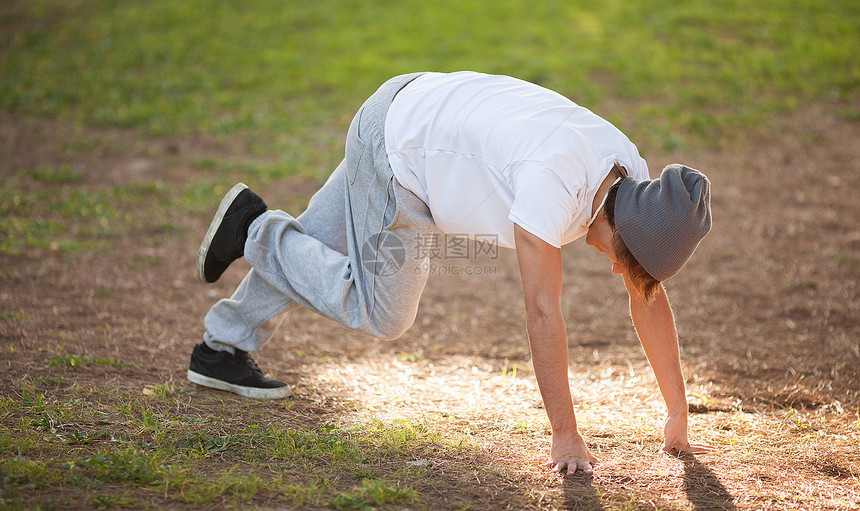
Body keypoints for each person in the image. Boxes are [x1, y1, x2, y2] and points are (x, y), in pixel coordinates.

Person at [187, 71, 716, 475]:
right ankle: (254, 228)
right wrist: (566, 434)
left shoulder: (634, 184)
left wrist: (677, 411)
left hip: (413, 105)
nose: (623, 271)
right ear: (623, 233)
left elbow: (647, 295)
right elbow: (541, 312)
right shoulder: (551, 187)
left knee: (313, 247)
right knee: (380, 310)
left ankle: (221, 347)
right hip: (402, 156)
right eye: (631, 262)